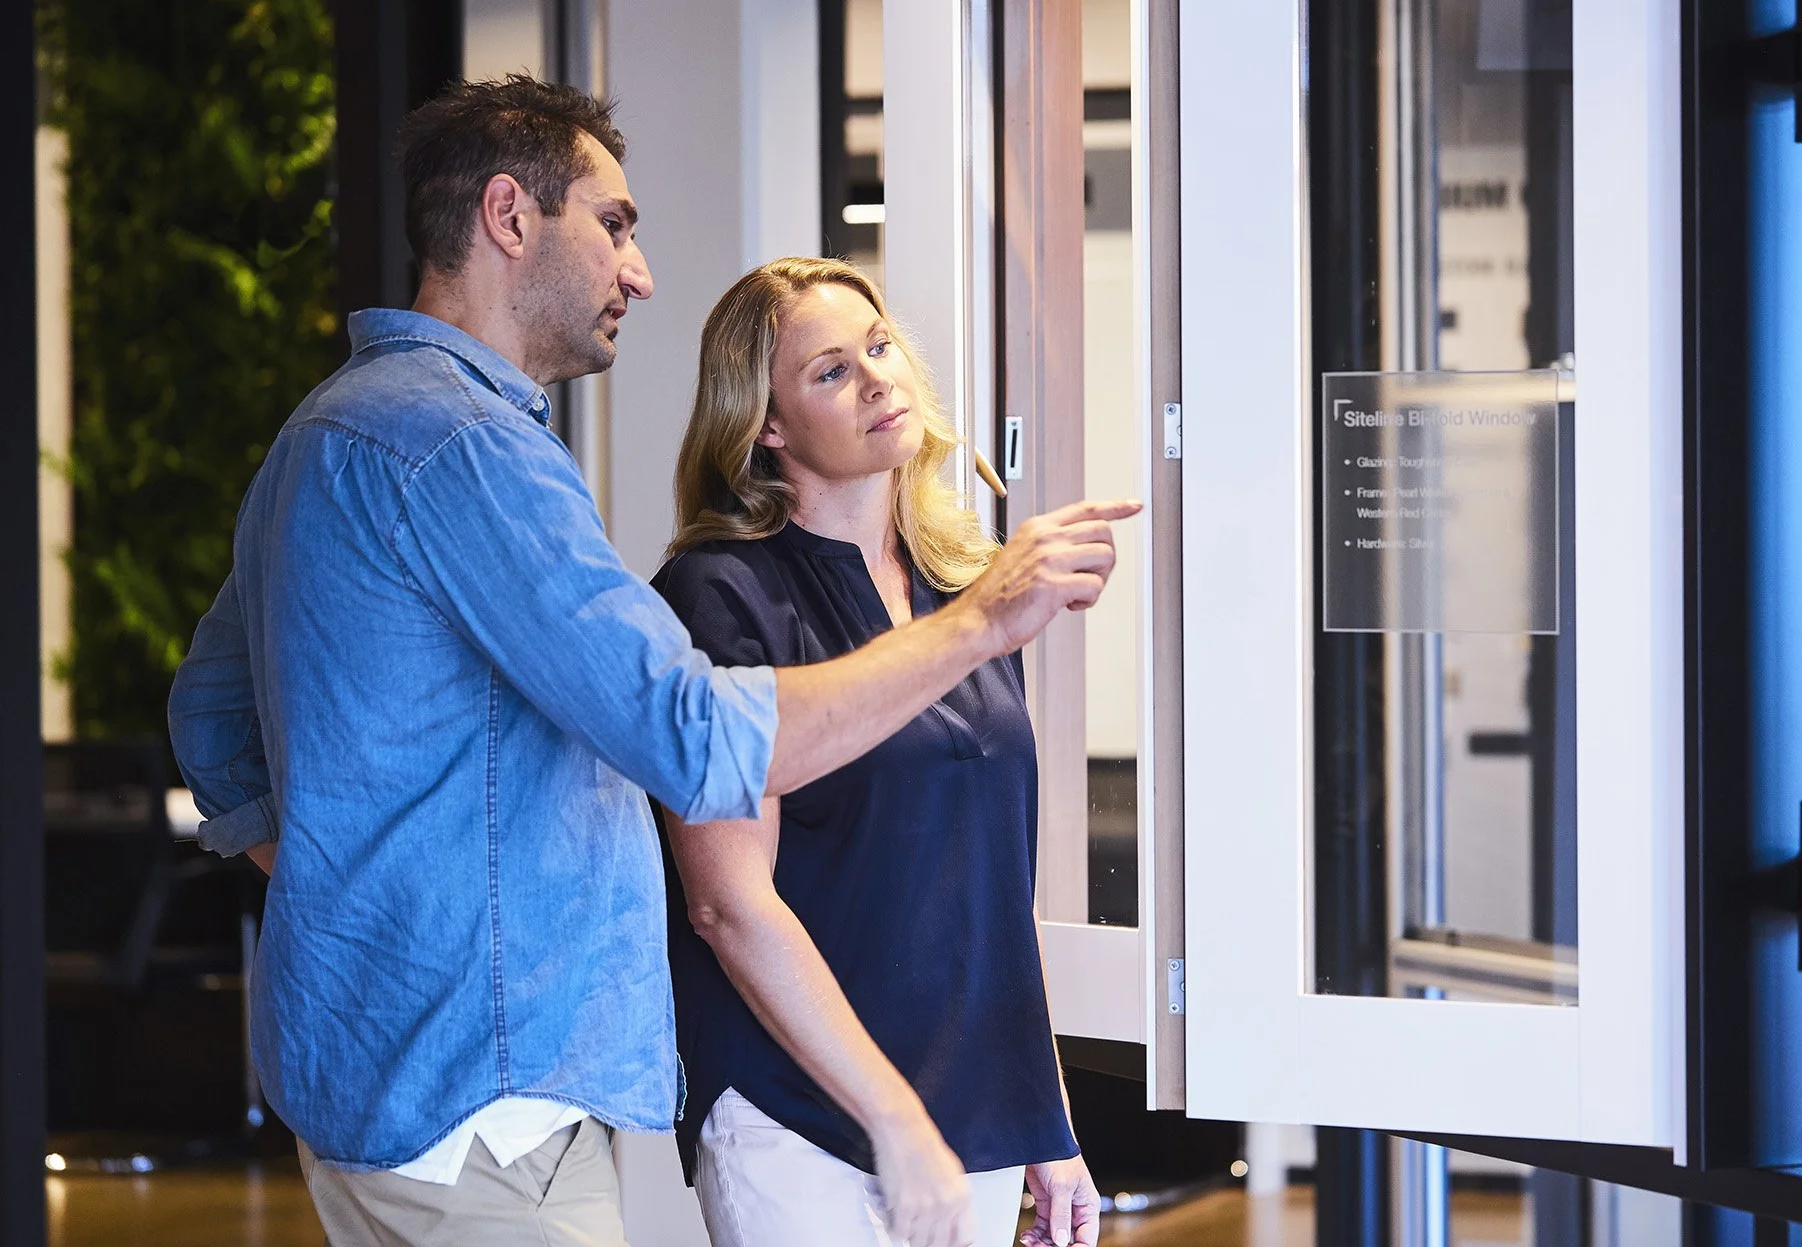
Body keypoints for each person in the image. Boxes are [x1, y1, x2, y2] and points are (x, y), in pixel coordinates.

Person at [166, 76, 1136, 1247]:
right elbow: (692, 739)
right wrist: (984, 622)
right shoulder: (471, 452)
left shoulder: (328, 432)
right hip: (490, 1110)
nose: (640, 271)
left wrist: (361, 903)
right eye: (615, 224)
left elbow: (210, 720)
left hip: (382, 1093)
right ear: (511, 216)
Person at [651, 257, 1103, 1247]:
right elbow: (729, 903)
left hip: (970, 1112)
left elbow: (992, 893)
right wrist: (891, 1117)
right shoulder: (717, 593)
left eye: (880, 346)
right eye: (828, 370)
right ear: (764, 424)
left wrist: (1046, 1116)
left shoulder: (965, 586)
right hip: (795, 1114)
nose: (875, 377)